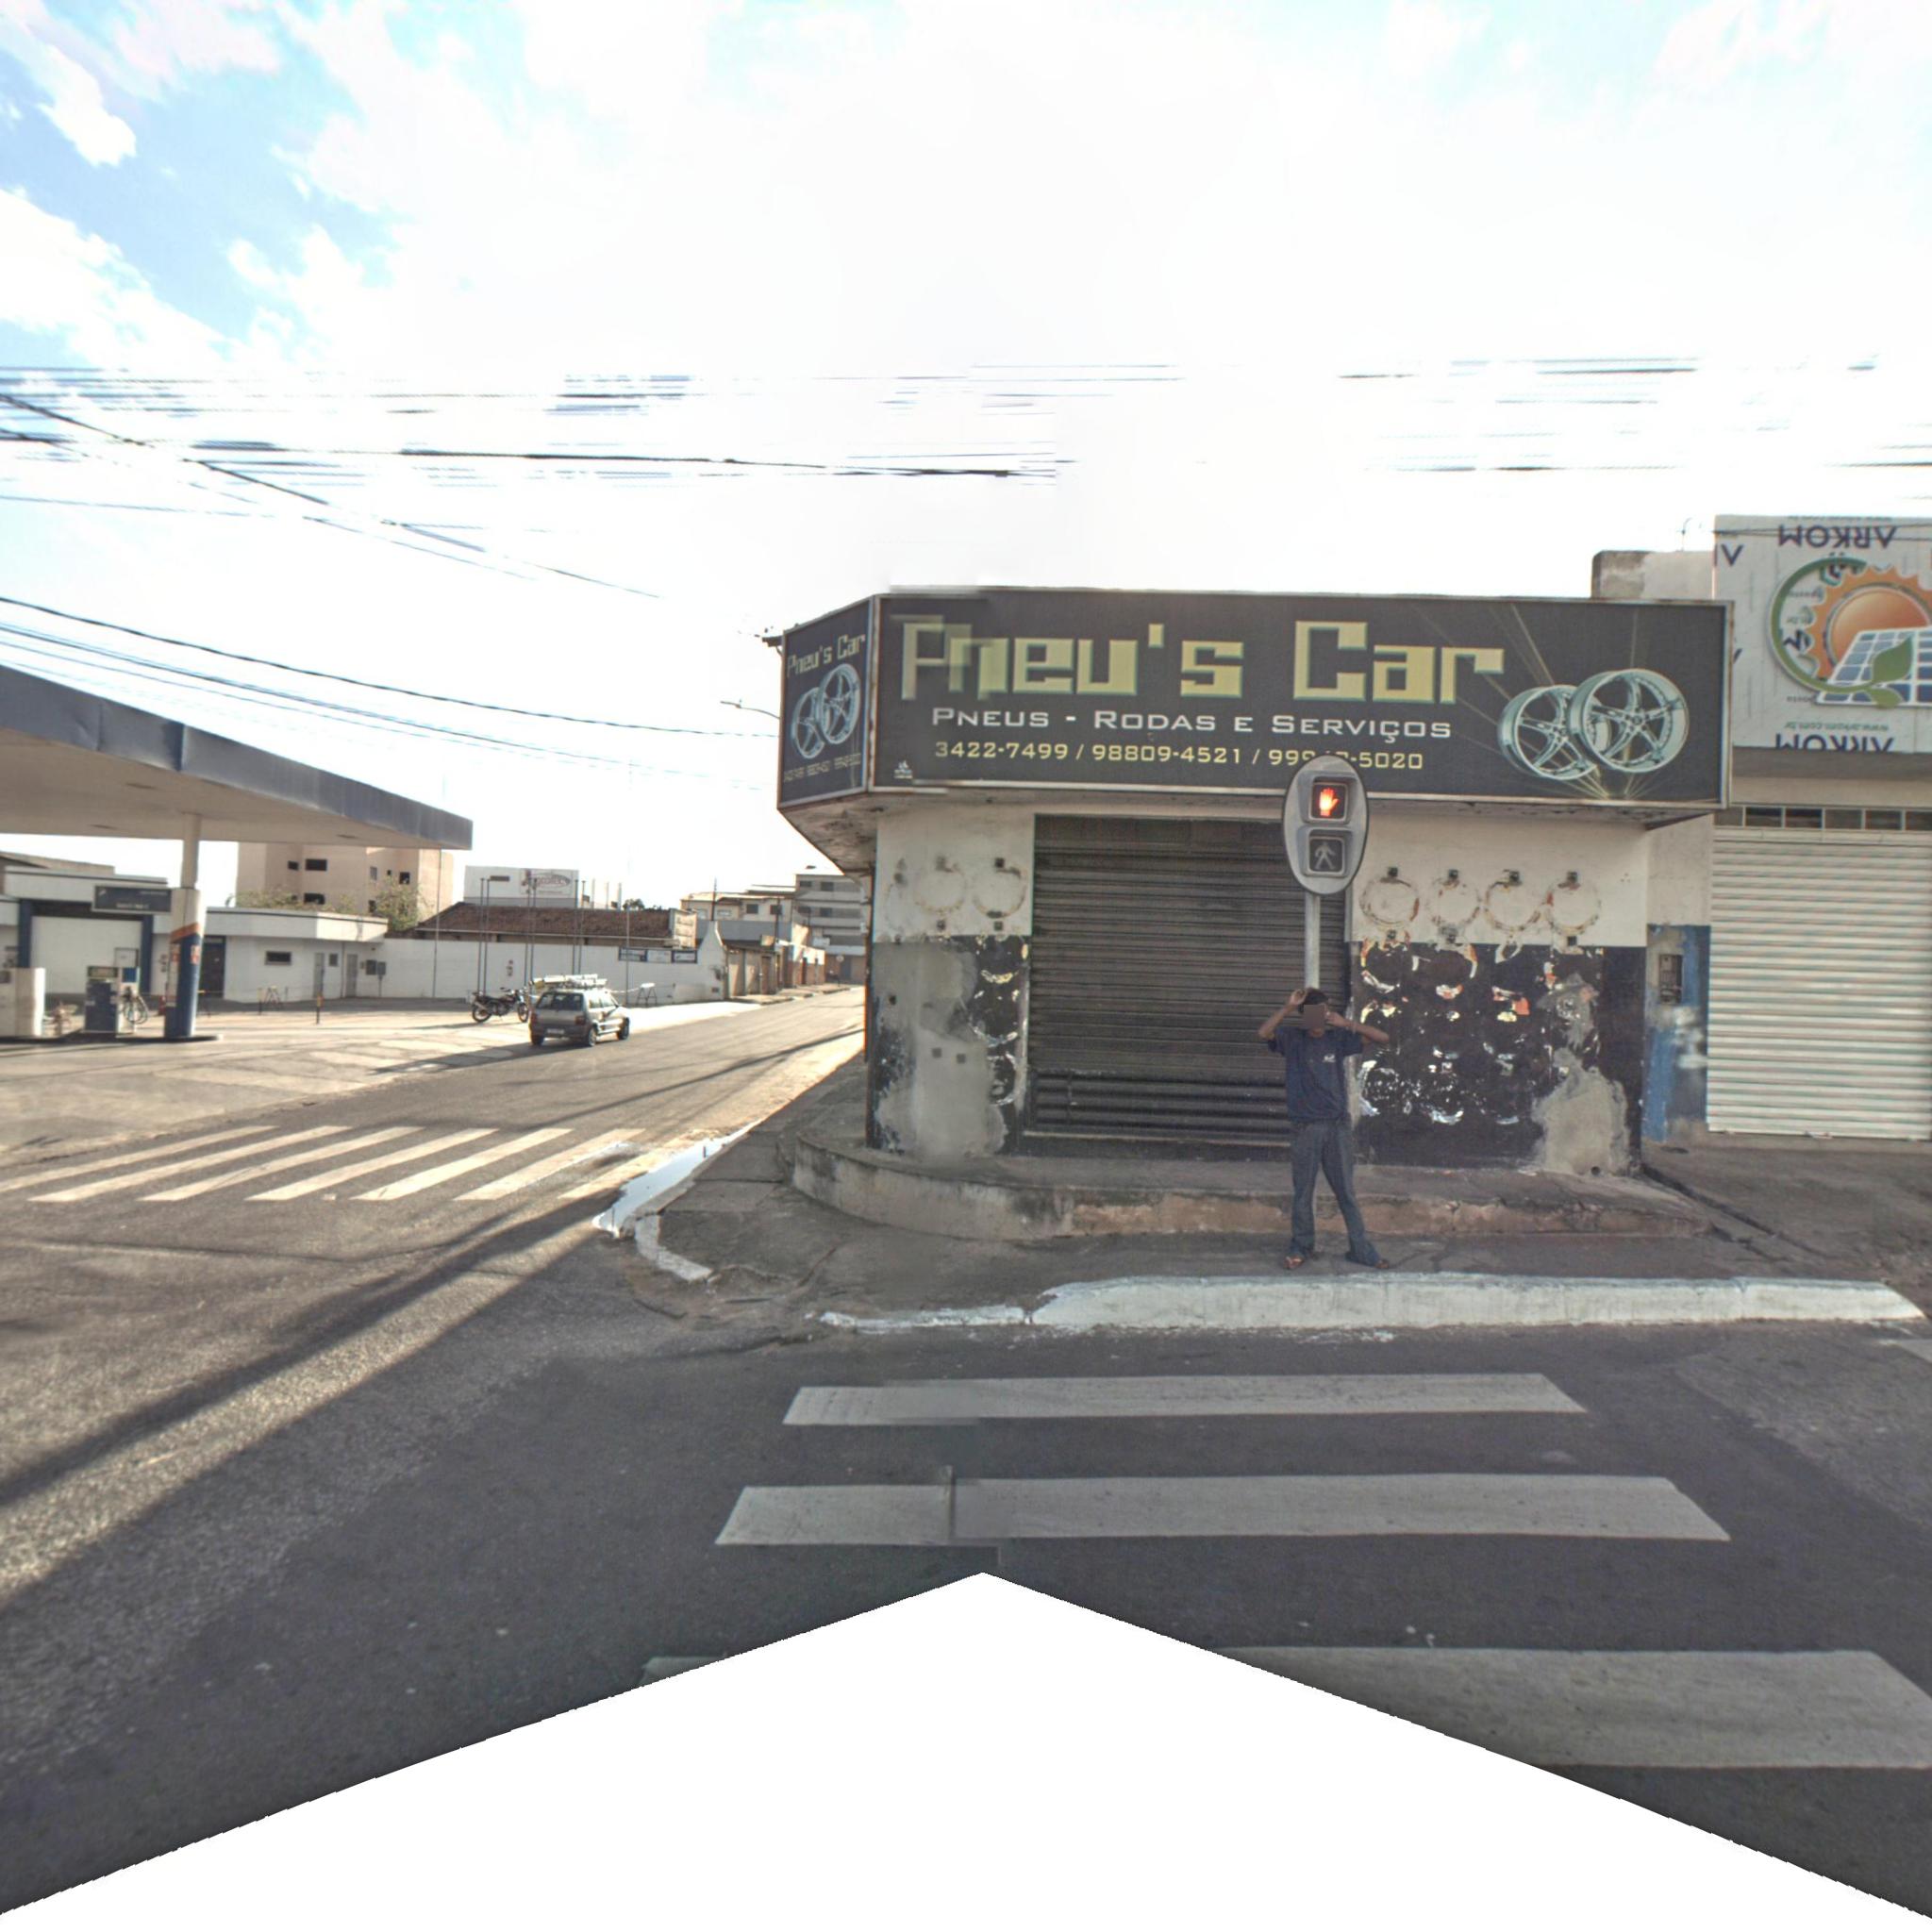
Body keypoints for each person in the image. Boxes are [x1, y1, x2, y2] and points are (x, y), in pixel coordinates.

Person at [1257, 985, 1392, 1273]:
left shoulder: (1338, 1038)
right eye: (1312, 1015)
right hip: (1305, 1127)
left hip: (1337, 1127)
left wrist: (1347, 1023)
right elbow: (1264, 1033)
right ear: (1304, 1017)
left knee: (1346, 1192)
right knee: (1303, 1192)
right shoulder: (1292, 1039)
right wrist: (1288, 1007)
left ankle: (1361, 1250)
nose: (1318, 1021)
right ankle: (1301, 1247)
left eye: (1322, 1014)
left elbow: (1382, 1038)